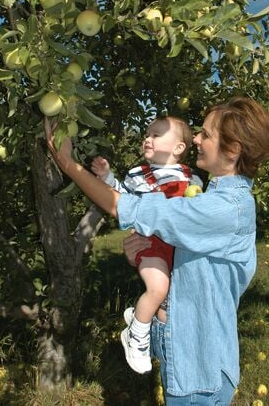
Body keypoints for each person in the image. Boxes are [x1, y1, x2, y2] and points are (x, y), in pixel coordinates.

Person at [45, 96, 269, 406]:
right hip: (186, 352)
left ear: (232, 150)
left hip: (197, 367)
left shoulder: (223, 209)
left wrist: (68, 165)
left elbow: (130, 208)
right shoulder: (214, 198)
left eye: (205, 134)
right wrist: (145, 252)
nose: (195, 138)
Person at [90, 116, 202, 374]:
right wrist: (107, 177)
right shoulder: (138, 175)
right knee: (158, 287)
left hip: (178, 247)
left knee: (170, 299)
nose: (147, 138)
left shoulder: (192, 179)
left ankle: (142, 319)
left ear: (178, 148)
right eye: (147, 133)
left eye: (156, 135)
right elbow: (121, 198)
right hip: (149, 243)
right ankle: (137, 337)